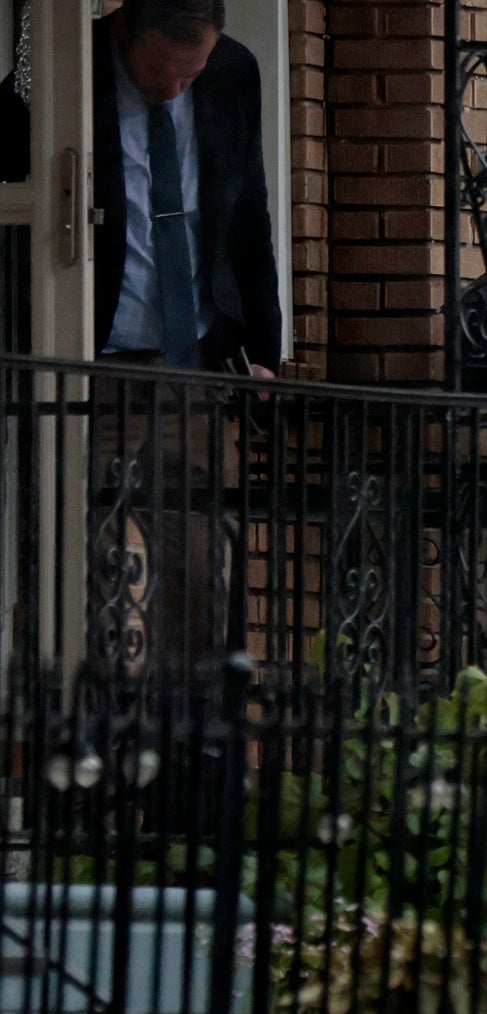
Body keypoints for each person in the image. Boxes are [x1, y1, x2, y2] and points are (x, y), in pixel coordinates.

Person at [87, 0, 282, 678]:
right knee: (100, 567)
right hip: (95, 364)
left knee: (203, 571)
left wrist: (263, 354)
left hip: (197, 359)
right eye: (158, 73)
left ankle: (200, 757)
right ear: (125, 31)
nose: (173, 90)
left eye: (188, 76)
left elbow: (249, 214)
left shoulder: (232, 73)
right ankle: (102, 750)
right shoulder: (72, 66)